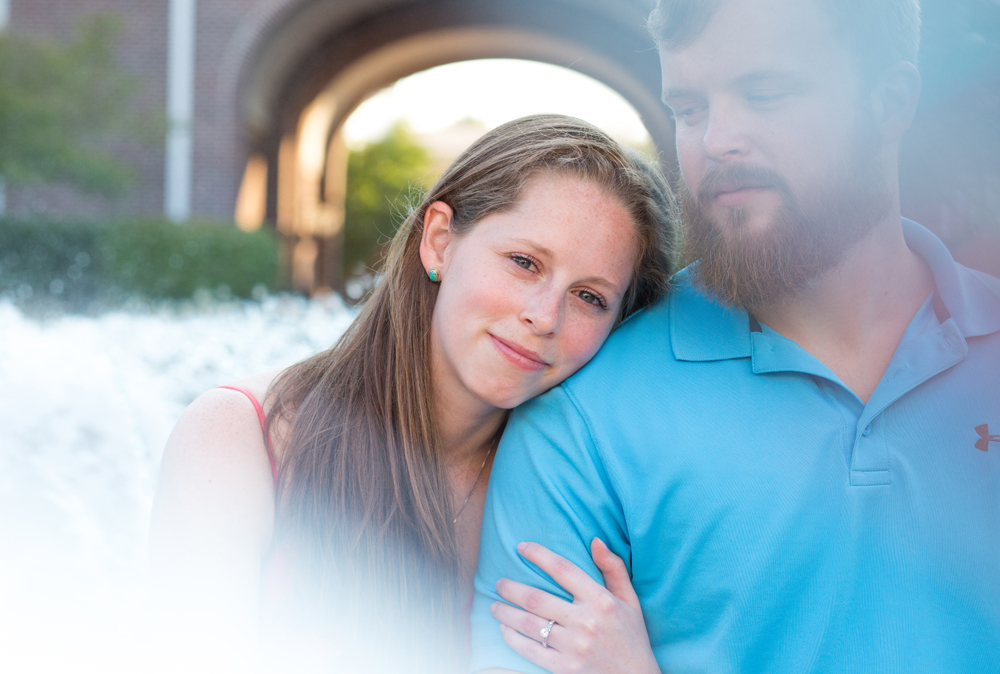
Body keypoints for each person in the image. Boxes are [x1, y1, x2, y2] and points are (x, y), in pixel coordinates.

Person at [472, 1, 1000, 673]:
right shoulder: (583, 415)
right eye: (689, 108)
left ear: (890, 101)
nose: (716, 139)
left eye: (765, 94)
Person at [147, 114, 681, 672]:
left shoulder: (576, 489)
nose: (544, 316)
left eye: (590, 297)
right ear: (440, 242)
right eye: (525, 263)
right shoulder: (241, 437)